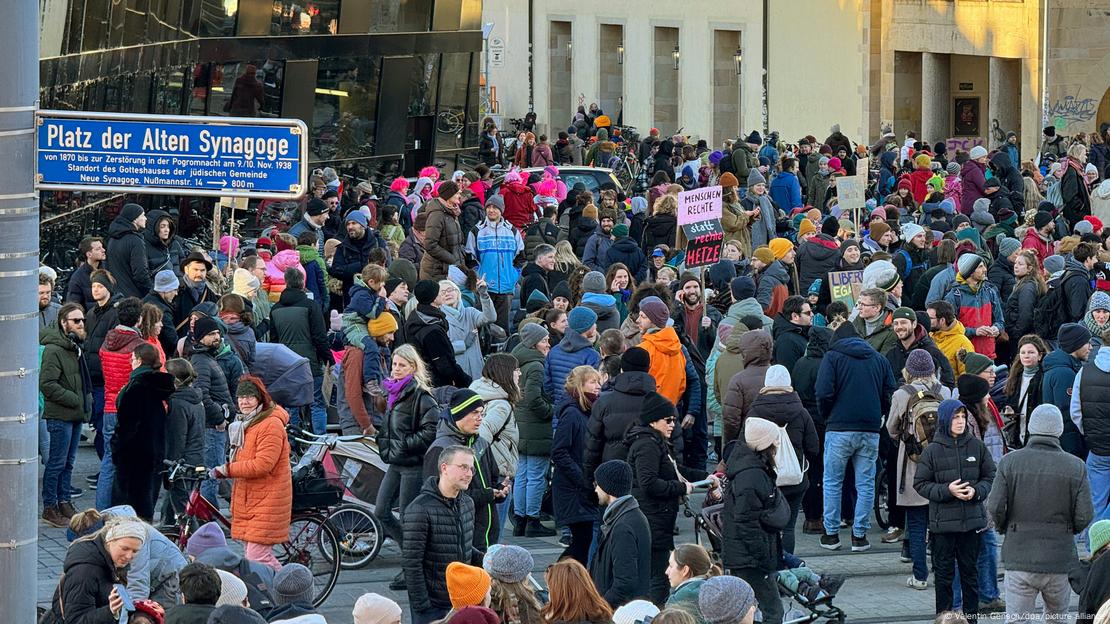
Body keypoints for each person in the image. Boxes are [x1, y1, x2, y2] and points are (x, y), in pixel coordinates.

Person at [987, 404, 1093, 623]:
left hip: (1019, 556)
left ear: (1032, 427)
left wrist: (1005, 527)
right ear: (1059, 430)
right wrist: (1067, 530)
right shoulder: (1076, 466)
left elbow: (995, 506)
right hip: (1059, 558)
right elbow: (1085, 514)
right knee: (1057, 619)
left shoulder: (1010, 462)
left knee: (1017, 620)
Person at [817, 323, 898, 552]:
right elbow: (889, 392)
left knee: (833, 481)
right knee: (865, 484)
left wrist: (829, 415)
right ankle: (859, 536)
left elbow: (823, 392)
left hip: (838, 428)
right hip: (870, 429)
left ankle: (831, 534)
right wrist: (879, 414)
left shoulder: (832, 357)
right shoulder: (879, 359)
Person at [914, 399, 996, 621]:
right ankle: (944, 618)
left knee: (970, 575)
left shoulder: (976, 446)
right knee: (944, 577)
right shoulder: (932, 450)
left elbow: (990, 475)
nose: (960, 422)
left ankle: (971, 619)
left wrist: (977, 491)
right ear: (945, 420)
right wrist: (947, 490)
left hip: (971, 524)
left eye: (963, 417)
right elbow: (920, 484)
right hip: (943, 527)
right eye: (955, 417)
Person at [627, 392, 712, 605]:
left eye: (674, 419)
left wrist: (705, 477)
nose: (673, 424)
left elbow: (674, 470)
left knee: (658, 574)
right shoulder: (647, 444)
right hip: (652, 517)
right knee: (659, 575)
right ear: (653, 421)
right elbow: (649, 483)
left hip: (657, 517)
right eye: (668, 420)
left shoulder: (656, 441)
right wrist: (681, 487)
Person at [208, 376, 292, 572]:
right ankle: (266, 595)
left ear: (260, 399)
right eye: (241, 397)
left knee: (258, 557)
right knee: (252, 556)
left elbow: (263, 464)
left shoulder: (270, 424)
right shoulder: (249, 422)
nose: (244, 402)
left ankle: (292, 590)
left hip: (267, 498)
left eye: (249, 397)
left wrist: (227, 470)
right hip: (251, 497)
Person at [373, 345, 439, 589]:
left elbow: (431, 430)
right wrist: (384, 442)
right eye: (394, 364)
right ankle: (413, 558)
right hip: (395, 462)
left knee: (410, 518)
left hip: (413, 464)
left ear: (413, 367)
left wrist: (404, 445)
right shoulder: (394, 393)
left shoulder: (421, 396)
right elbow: (389, 427)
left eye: (402, 365)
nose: (396, 369)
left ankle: (411, 568)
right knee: (381, 511)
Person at [886, 350, 953, 590]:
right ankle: (942, 572)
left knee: (915, 524)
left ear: (909, 371)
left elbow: (892, 428)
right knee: (939, 524)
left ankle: (920, 576)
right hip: (942, 465)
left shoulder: (901, 394)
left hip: (912, 465)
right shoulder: (944, 392)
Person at [745, 366, 819, 556]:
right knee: (788, 527)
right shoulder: (801, 412)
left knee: (766, 527)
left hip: (765, 481)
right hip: (795, 480)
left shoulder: (755, 412)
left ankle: (771, 565)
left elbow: (745, 445)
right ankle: (787, 566)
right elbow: (813, 447)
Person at [722, 417, 789, 624]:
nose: (777, 447)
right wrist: (762, 557)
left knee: (746, 611)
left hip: (746, 556)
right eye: (775, 442)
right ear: (764, 445)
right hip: (751, 558)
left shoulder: (749, 468)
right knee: (773, 612)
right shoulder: (751, 476)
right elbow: (746, 522)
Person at [424, 389, 504, 554]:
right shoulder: (442, 447)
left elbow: (493, 476)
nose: (480, 418)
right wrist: (487, 494)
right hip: (459, 535)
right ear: (459, 414)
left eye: (482, 413)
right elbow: (437, 497)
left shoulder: (481, 443)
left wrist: (500, 489)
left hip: (487, 532)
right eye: (474, 412)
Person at [405, 445, 478, 624]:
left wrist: (493, 558)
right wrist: (423, 607)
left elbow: (464, 546)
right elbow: (411, 563)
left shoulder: (467, 503)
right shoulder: (420, 508)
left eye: (471, 468)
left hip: (462, 599)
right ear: (444, 468)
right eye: (463, 467)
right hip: (433, 605)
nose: (469, 473)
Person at [40, 303, 92, 527]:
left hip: (75, 414)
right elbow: (47, 384)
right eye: (76, 321)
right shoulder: (55, 349)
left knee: (69, 462)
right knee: (57, 462)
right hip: (61, 414)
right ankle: (50, 506)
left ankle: (65, 501)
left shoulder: (74, 347)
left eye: (82, 320)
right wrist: (74, 399)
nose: (81, 324)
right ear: (64, 323)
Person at [110, 343, 174, 519]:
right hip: (155, 453)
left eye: (132, 359)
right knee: (147, 507)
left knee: (128, 512)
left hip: (134, 457)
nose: (131, 362)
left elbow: (127, 426)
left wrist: (116, 449)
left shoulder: (136, 387)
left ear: (138, 361)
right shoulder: (161, 386)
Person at [44, 518, 147, 624]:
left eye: (135, 551)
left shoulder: (111, 561)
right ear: (110, 541)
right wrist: (110, 611)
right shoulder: (84, 572)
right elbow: (75, 620)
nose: (129, 556)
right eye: (124, 548)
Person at [95, 296, 145, 509]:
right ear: (139, 319)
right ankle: (126, 511)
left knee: (108, 462)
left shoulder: (107, 342)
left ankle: (101, 512)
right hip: (131, 409)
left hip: (109, 406)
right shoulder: (139, 346)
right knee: (132, 464)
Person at [270, 266, 331, 435]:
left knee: (292, 404)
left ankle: (292, 441)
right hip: (310, 362)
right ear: (303, 283)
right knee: (317, 403)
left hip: (286, 364)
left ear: (286, 282)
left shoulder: (275, 309)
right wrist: (328, 358)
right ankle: (320, 443)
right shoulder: (311, 306)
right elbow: (320, 337)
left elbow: (274, 342)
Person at [551, 365, 603, 564]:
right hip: (572, 489)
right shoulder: (572, 413)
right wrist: (583, 478)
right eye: (592, 382)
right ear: (580, 386)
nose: (598, 386)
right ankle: (558, 578)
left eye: (598, 381)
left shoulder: (587, 410)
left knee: (584, 541)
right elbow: (559, 451)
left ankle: (564, 581)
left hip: (582, 487)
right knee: (582, 542)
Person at [636, 296, 702, 444]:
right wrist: (691, 411)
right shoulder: (679, 348)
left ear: (653, 320)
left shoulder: (643, 350)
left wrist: (692, 411)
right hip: (673, 417)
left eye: (643, 316)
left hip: (649, 419)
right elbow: (693, 380)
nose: (638, 320)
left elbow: (693, 380)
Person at [585, 347, 658, 478]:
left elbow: (592, 446)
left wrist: (589, 480)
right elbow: (674, 449)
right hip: (650, 474)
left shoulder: (603, 403)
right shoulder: (662, 404)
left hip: (611, 473)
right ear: (648, 368)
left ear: (622, 369)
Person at [510, 324, 554, 537]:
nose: (548, 344)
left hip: (521, 425)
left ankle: (520, 520)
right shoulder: (536, 365)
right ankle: (532, 520)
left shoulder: (519, 361)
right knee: (536, 476)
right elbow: (534, 398)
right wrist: (550, 411)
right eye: (544, 340)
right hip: (536, 427)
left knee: (522, 475)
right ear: (534, 342)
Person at [590, 459, 652, 609]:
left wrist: (600, 607)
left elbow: (625, 582)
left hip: (620, 612)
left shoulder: (623, 526)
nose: (595, 490)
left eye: (597, 485)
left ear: (607, 487)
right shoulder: (627, 516)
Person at [406, 280, 472, 388]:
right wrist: (468, 383)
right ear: (433, 298)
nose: (442, 294)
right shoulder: (432, 331)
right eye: (439, 292)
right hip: (438, 387)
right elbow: (445, 366)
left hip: (425, 382)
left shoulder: (416, 319)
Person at [1074, 324, 1110, 519]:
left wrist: (1089, 432)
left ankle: (1095, 545)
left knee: (1096, 499)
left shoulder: (1084, 372)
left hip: (1096, 447)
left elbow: (1076, 411)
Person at [943, 253, 1004, 361]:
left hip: (988, 355)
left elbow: (1000, 321)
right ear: (970, 271)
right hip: (965, 357)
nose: (985, 269)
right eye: (980, 267)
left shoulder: (989, 291)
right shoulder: (953, 297)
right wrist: (975, 331)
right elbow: (949, 330)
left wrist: (996, 328)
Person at [1044, 323, 1092, 458]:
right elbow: (1067, 414)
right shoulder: (1064, 373)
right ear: (1075, 344)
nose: (1090, 347)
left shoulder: (1063, 367)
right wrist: (1075, 449)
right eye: (1087, 343)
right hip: (1068, 445)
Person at [720, 329, 774, 444]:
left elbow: (731, 419)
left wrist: (731, 442)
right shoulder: (778, 376)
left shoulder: (738, 380)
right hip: (775, 441)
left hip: (748, 442)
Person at [441, 278, 497, 381]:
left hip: (477, 369)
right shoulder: (439, 319)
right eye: (442, 292)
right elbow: (441, 349)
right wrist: (463, 344)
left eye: (450, 290)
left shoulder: (469, 312)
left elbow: (490, 318)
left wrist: (483, 294)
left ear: (457, 292)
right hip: (457, 373)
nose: (447, 294)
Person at [887, 307, 957, 389]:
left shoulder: (931, 351)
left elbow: (948, 382)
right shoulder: (891, 354)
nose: (899, 327)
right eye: (896, 323)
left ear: (914, 324)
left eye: (903, 323)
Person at [545, 306, 601, 406]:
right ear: (587, 327)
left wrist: (558, 402)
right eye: (593, 323)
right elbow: (592, 389)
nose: (595, 326)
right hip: (581, 412)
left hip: (558, 411)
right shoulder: (592, 356)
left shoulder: (554, 351)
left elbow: (547, 385)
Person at [482, 545, 543, 624]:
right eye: (528, 571)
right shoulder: (528, 606)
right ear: (522, 577)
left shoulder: (484, 598)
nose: (530, 573)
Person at [544, 559, 614, 624]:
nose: (549, 596)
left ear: (561, 595)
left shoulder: (549, 618)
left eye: (550, 590)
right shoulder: (603, 615)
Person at [421, 181, 465, 281]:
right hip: (437, 271)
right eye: (457, 193)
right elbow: (430, 245)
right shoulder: (437, 214)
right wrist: (452, 259)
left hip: (450, 269)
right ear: (449, 195)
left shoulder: (452, 212)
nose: (460, 195)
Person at [105, 203, 151, 298]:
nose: (145, 218)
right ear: (134, 219)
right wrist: (151, 289)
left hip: (115, 294)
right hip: (133, 295)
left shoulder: (112, 238)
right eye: (142, 215)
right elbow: (140, 273)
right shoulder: (136, 240)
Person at [664, 544, 717, 624]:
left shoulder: (678, 600)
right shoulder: (716, 588)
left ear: (685, 570)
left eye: (671, 566)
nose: (667, 572)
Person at [928, 301, 976, 379]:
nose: (927, 320)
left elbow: (967, 374)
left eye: (930, 318)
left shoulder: (962, 343)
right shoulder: (929, 336)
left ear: (942, 320)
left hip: (951, 389)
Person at [771, 296, 812, 376]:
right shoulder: (786, 341)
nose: (812, 315)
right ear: (795, 316)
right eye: (808, 313)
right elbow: (789, 373)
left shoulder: (801, 333)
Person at [67, 236, 107, 309]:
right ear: (89, 254)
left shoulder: (109, 269)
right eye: (98, 249)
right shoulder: (77, 277)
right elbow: (74, 306)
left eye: (102, 247)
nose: (103, 250)